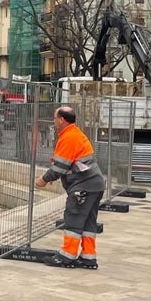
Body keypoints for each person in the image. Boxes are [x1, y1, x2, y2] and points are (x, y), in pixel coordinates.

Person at [35, 106, 105, 269]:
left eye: (54, 118)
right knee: (88, 222)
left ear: (61, 120)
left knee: (73, 218)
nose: (53, 121)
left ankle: (67, 256)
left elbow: (59, 166)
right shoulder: (76, 134)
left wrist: (43, 180)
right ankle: (88, 258)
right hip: (95, 185)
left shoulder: (68, 138)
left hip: (83, 187)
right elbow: (71, 164)